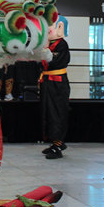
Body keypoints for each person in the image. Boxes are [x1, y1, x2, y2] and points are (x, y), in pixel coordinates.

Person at [39, 16, 70, 160]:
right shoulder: (49, 44)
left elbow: (53, 61)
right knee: (48, 111)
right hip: (48, 81)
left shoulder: (61, 45)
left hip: (57, 83)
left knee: (57, 112)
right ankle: (54, 141)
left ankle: (58, 144)